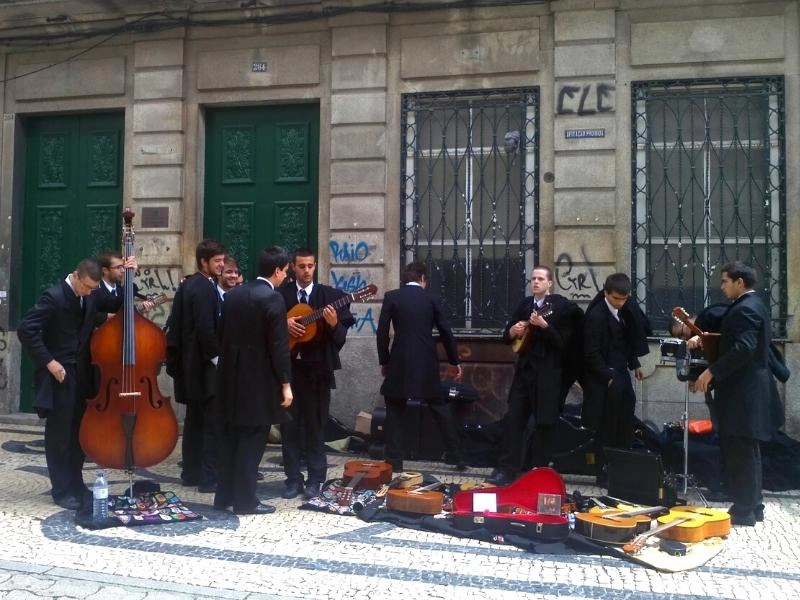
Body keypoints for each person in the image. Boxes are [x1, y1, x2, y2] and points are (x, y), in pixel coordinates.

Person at [694, 262, 782, 526]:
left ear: (739, 282)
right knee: (747, 451)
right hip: (747, 392)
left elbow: (743, 348)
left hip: (744, 394)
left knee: (740, 451)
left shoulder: (745, 309)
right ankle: (752, 506)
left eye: (725, 282)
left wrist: (712, 372)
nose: (722, 287)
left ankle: (744, 509)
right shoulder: (752, 305)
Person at [213, 246, 293, 515]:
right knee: (252, 439)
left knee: (230, 437)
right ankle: (246, 501)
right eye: (285, 271)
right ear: (277, 270)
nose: (285, 276)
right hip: (258, 381)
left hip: (229, 377)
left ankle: (223, 496)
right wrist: (285, 383)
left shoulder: (233, 295)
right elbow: (279, 346)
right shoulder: (273, 299)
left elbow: (221, 335)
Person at [17, 258, 102, 509]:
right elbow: (26, 329)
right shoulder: (53, 297)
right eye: (85, 286)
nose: (88, 292)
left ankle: (76, 483)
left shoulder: (90, 296)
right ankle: (61, 490)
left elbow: (114, 299)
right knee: (59, 435)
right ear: (75, 275)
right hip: (60, 374)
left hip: (82, 375)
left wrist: (129, 270)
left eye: (92, 289)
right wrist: (49, 362)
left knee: (78, 433)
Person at [487, 266, 581, 486]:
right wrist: (513, 331)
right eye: (533, 279)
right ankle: (506, 469)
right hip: (524, 373)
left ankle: (538, 471)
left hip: (548, 375)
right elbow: (507, 335)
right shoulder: (524, 305)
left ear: (550, 283)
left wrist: (545, 326)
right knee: (514, 420)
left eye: (540, 279)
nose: (536, 282)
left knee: (544, 424)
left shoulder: (562, 308)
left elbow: (562, 344)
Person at [279, 248, 355, 499]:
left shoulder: (331, 297)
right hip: (288, 373)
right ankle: (292, 479)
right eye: (301, 266)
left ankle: (315, 479)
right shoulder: (280, 296)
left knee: (315, 427)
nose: (307, 271)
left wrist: (333, 325)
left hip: (317, 373)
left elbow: (341, 335)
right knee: (289, 428)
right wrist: (283, 323)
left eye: (311, 266)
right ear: (292, 267)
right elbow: (263, 328)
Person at [376, 261, 465, 472]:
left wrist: (384, 360)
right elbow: (445, 331)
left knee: (395, 410)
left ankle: (395, 461)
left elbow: (381, 333)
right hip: (426, 362)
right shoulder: (431, 298)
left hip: (399, 360)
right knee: (439, 408)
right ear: (423, 278)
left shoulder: (392, 297)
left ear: (404, 279)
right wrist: (454, 361)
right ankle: (457, 455)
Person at [166, 239, 226, 493]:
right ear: (204, 262)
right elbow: (204, 328)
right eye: (217, 261)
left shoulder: (191, 284)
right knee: (210, 425)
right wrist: (216, 358)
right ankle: (208, 478)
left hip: (190, 366)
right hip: (203, 368)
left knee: (194, 422)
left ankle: (191, 472)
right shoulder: (202, 287)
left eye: (223, 260)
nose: (222, 265)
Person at [582, 273, 649, 482]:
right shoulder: (596, 316)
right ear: (606, 293)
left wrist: (634, 363)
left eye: (624, 299)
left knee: (625, 417)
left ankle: (621, 466)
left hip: (619, 371)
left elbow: (625, 341)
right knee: (607, 424)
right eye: (616, 299)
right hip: (605, 377)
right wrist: (606, 375)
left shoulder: (624, 312)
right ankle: (604, 472)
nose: (620, 303)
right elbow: (590, 351)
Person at [93, 250, 154, 322]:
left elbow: (126, 313)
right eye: (118, 267)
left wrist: (141, 310)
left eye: (123, 267)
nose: (123, 270)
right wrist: (114, 316)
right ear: (105, 270)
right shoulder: (93, 290)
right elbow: (90, 315)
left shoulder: (122, 290)